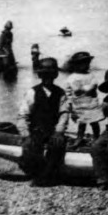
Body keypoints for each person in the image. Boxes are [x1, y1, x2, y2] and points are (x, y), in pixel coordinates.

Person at [17, 57, 69, 186]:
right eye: (45, 75)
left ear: (55, 75)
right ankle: (36, 174)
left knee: (57, 145)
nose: (48, 79)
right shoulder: (32, 92)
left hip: (52, 130)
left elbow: (64, 114)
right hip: (36, 130)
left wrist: (59, 131)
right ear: (40, 76)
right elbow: (23, 115)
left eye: (51, 75)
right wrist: (25, 134)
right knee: (32, 146)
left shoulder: (60, 93)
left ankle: (48, 175)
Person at [65, 51, 103, 145]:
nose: (86, 65)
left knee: (94, 122)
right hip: (79, 104)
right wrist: (69, 103)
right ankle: (79, 138)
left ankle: (96, 137)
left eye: (87, 63)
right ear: (76, 65)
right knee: (82, 123)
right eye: (82, 63)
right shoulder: (72, 77)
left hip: (91, 103)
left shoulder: (91, 76)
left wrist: (86, 88)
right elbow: (69, 92)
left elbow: (94, 86)